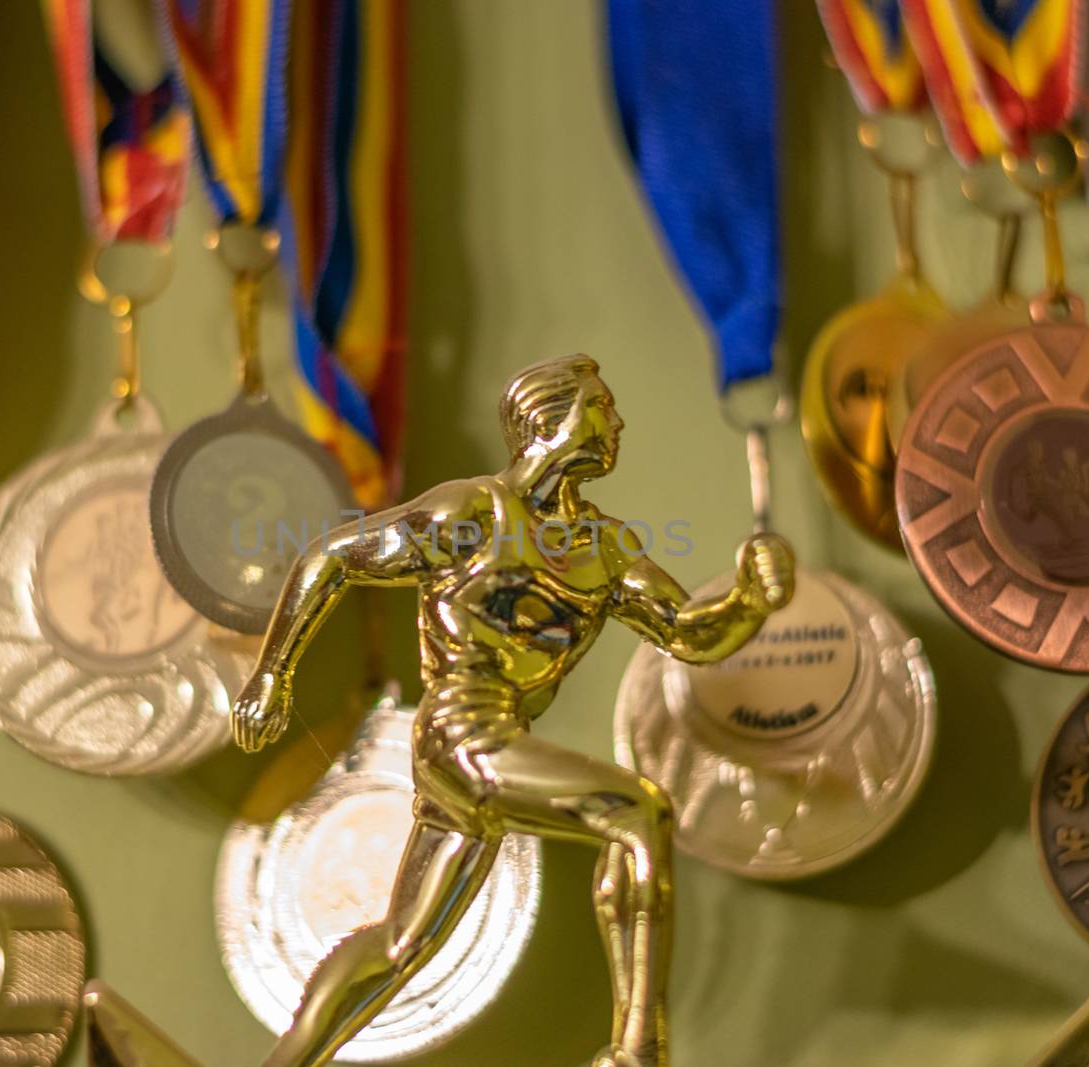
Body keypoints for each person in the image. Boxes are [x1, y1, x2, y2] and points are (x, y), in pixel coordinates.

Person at [233, 355, 794, 1067]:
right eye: (601, 405)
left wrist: (751, 599)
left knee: (401, 944)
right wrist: (271, 674)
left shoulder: (605, 550)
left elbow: (688, 631)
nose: (616, 420)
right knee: (637, 812)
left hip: (496, 745)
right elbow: (333, 556)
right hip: (460, 732)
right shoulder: (471, 513)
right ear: (549, 420)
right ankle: (636, 1051)